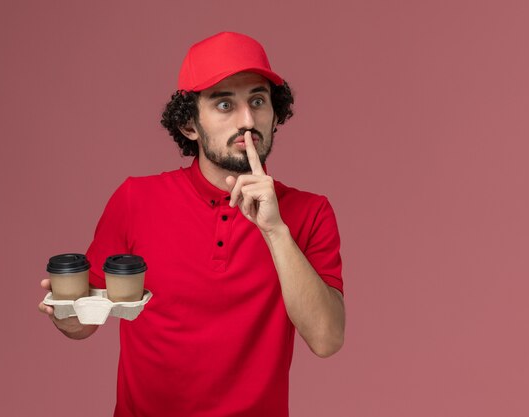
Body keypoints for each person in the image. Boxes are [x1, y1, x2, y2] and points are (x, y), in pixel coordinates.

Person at [38, 31, 345, 417]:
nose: (247, 120)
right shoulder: (136, 200)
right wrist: (63, 313)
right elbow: (86, 323)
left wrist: (275, 230)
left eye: (257, 100)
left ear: (275, 115)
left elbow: (327, 339)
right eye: (224, 104)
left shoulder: (309, 212)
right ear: (189, 126)